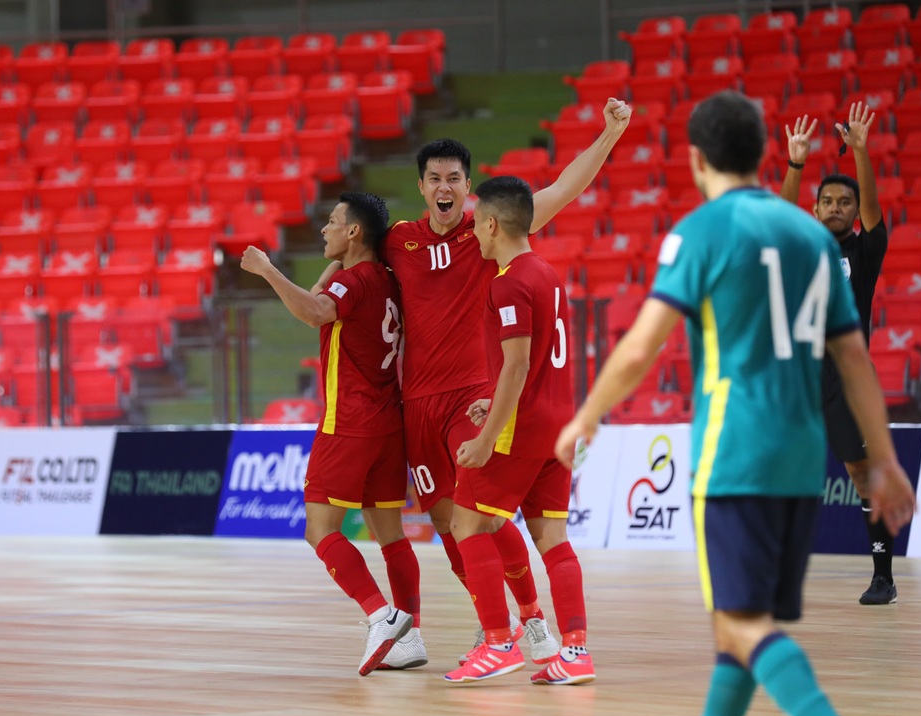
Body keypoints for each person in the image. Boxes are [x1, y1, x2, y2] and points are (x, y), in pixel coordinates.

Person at [554, 91, 915, 716]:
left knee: (742, 625)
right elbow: (855, 357)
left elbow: (637, 349)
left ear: (694, 159)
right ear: (759, 156)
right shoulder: (811, 239)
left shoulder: (701, 232)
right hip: (801, 455)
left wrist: (585, 415)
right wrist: (887, 460)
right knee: (737, 633)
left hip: (734, 451)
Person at [383, 99, 632, 663]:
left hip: (475, 395)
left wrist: (608, 137)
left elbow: (566, 188)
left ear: (467, 186)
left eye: (454, 178)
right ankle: (498, 624)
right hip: (417, 402)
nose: (444, 187)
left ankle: (527, 623)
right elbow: (350, 249)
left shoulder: (488, 231)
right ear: (422, 187)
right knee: (448, 524)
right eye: (434, 179)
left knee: (479, 515)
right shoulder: (398, 241)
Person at [240, 192, 421, 675]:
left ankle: (381, 617)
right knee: (391, 535)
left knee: (319, 529)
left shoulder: (354, 282)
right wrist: (332, 266)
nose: (324, 229)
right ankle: (411, 633)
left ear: (354, 232)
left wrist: (267, 271)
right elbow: (325, 295)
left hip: (350, 422)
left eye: (333, 223)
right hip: (389, 422)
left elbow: (317, 312)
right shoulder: (383, 278)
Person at [439, 176, 594, 685]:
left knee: (469, 525)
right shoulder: (547, 273)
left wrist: (487, 437)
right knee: (553, 535)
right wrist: (493, 403)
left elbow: (518, 364)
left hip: (522, 428)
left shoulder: (507, 281)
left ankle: (498, 643)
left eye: (478, 222)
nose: (475, 234)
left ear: (490, 223)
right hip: (558, 423)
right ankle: (574, 653)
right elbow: (534, 366)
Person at [781, 102, 897, 605]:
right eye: (826, 200)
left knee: (861, 475)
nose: (834, 207)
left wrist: (861, 152)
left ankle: (883, 577)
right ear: (815, 209)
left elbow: (872, 208)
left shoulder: (864, 252)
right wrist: (796, 164)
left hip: (846, 381)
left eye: (843, 202)